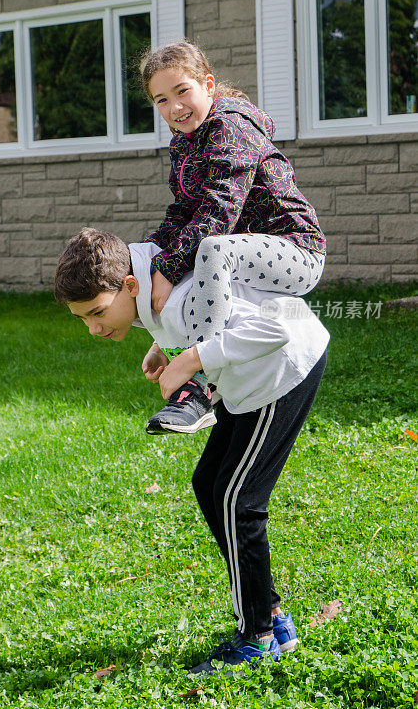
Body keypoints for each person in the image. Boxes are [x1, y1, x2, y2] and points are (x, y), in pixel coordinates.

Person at [54, 227, 329, 674]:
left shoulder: (174, 297)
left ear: (128, 285)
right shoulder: (148, 283)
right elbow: (208, 314)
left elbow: (279, 327)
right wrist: (164, 343)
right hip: (246, 380)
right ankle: (272, 616)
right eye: (82, 318)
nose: (94, 328)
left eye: (97, 313)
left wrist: (191, 358)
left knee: (237, 501)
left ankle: (258, 636)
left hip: (282, 371)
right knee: (209, 485)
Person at [139, 41, 326, 435]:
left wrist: (170, 268)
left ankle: (199, 388)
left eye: (182, 91)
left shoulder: (230, 126)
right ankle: (194, 363)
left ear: (208, 84)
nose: (174, 107)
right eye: (161, 99)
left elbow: (219, 209)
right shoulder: (183, 141)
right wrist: (155, 259)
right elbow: (182, 211)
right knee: (199, 251)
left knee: (211, 248)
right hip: (247, 254)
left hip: (296, 249)